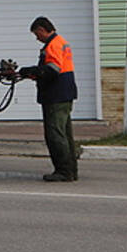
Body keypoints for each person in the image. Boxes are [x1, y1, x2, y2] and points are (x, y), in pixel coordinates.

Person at [20, 16, 78, 182]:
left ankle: (63, 171)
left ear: (41, 29)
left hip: (55, 95)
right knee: (65, 134)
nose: (37, 38)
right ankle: (71, 170)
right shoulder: (61, 42)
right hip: (65, 94)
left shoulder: (53, 45)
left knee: (55, 134)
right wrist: (34, 73)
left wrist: (33, 71)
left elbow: (52, 70)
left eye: (36, 34)